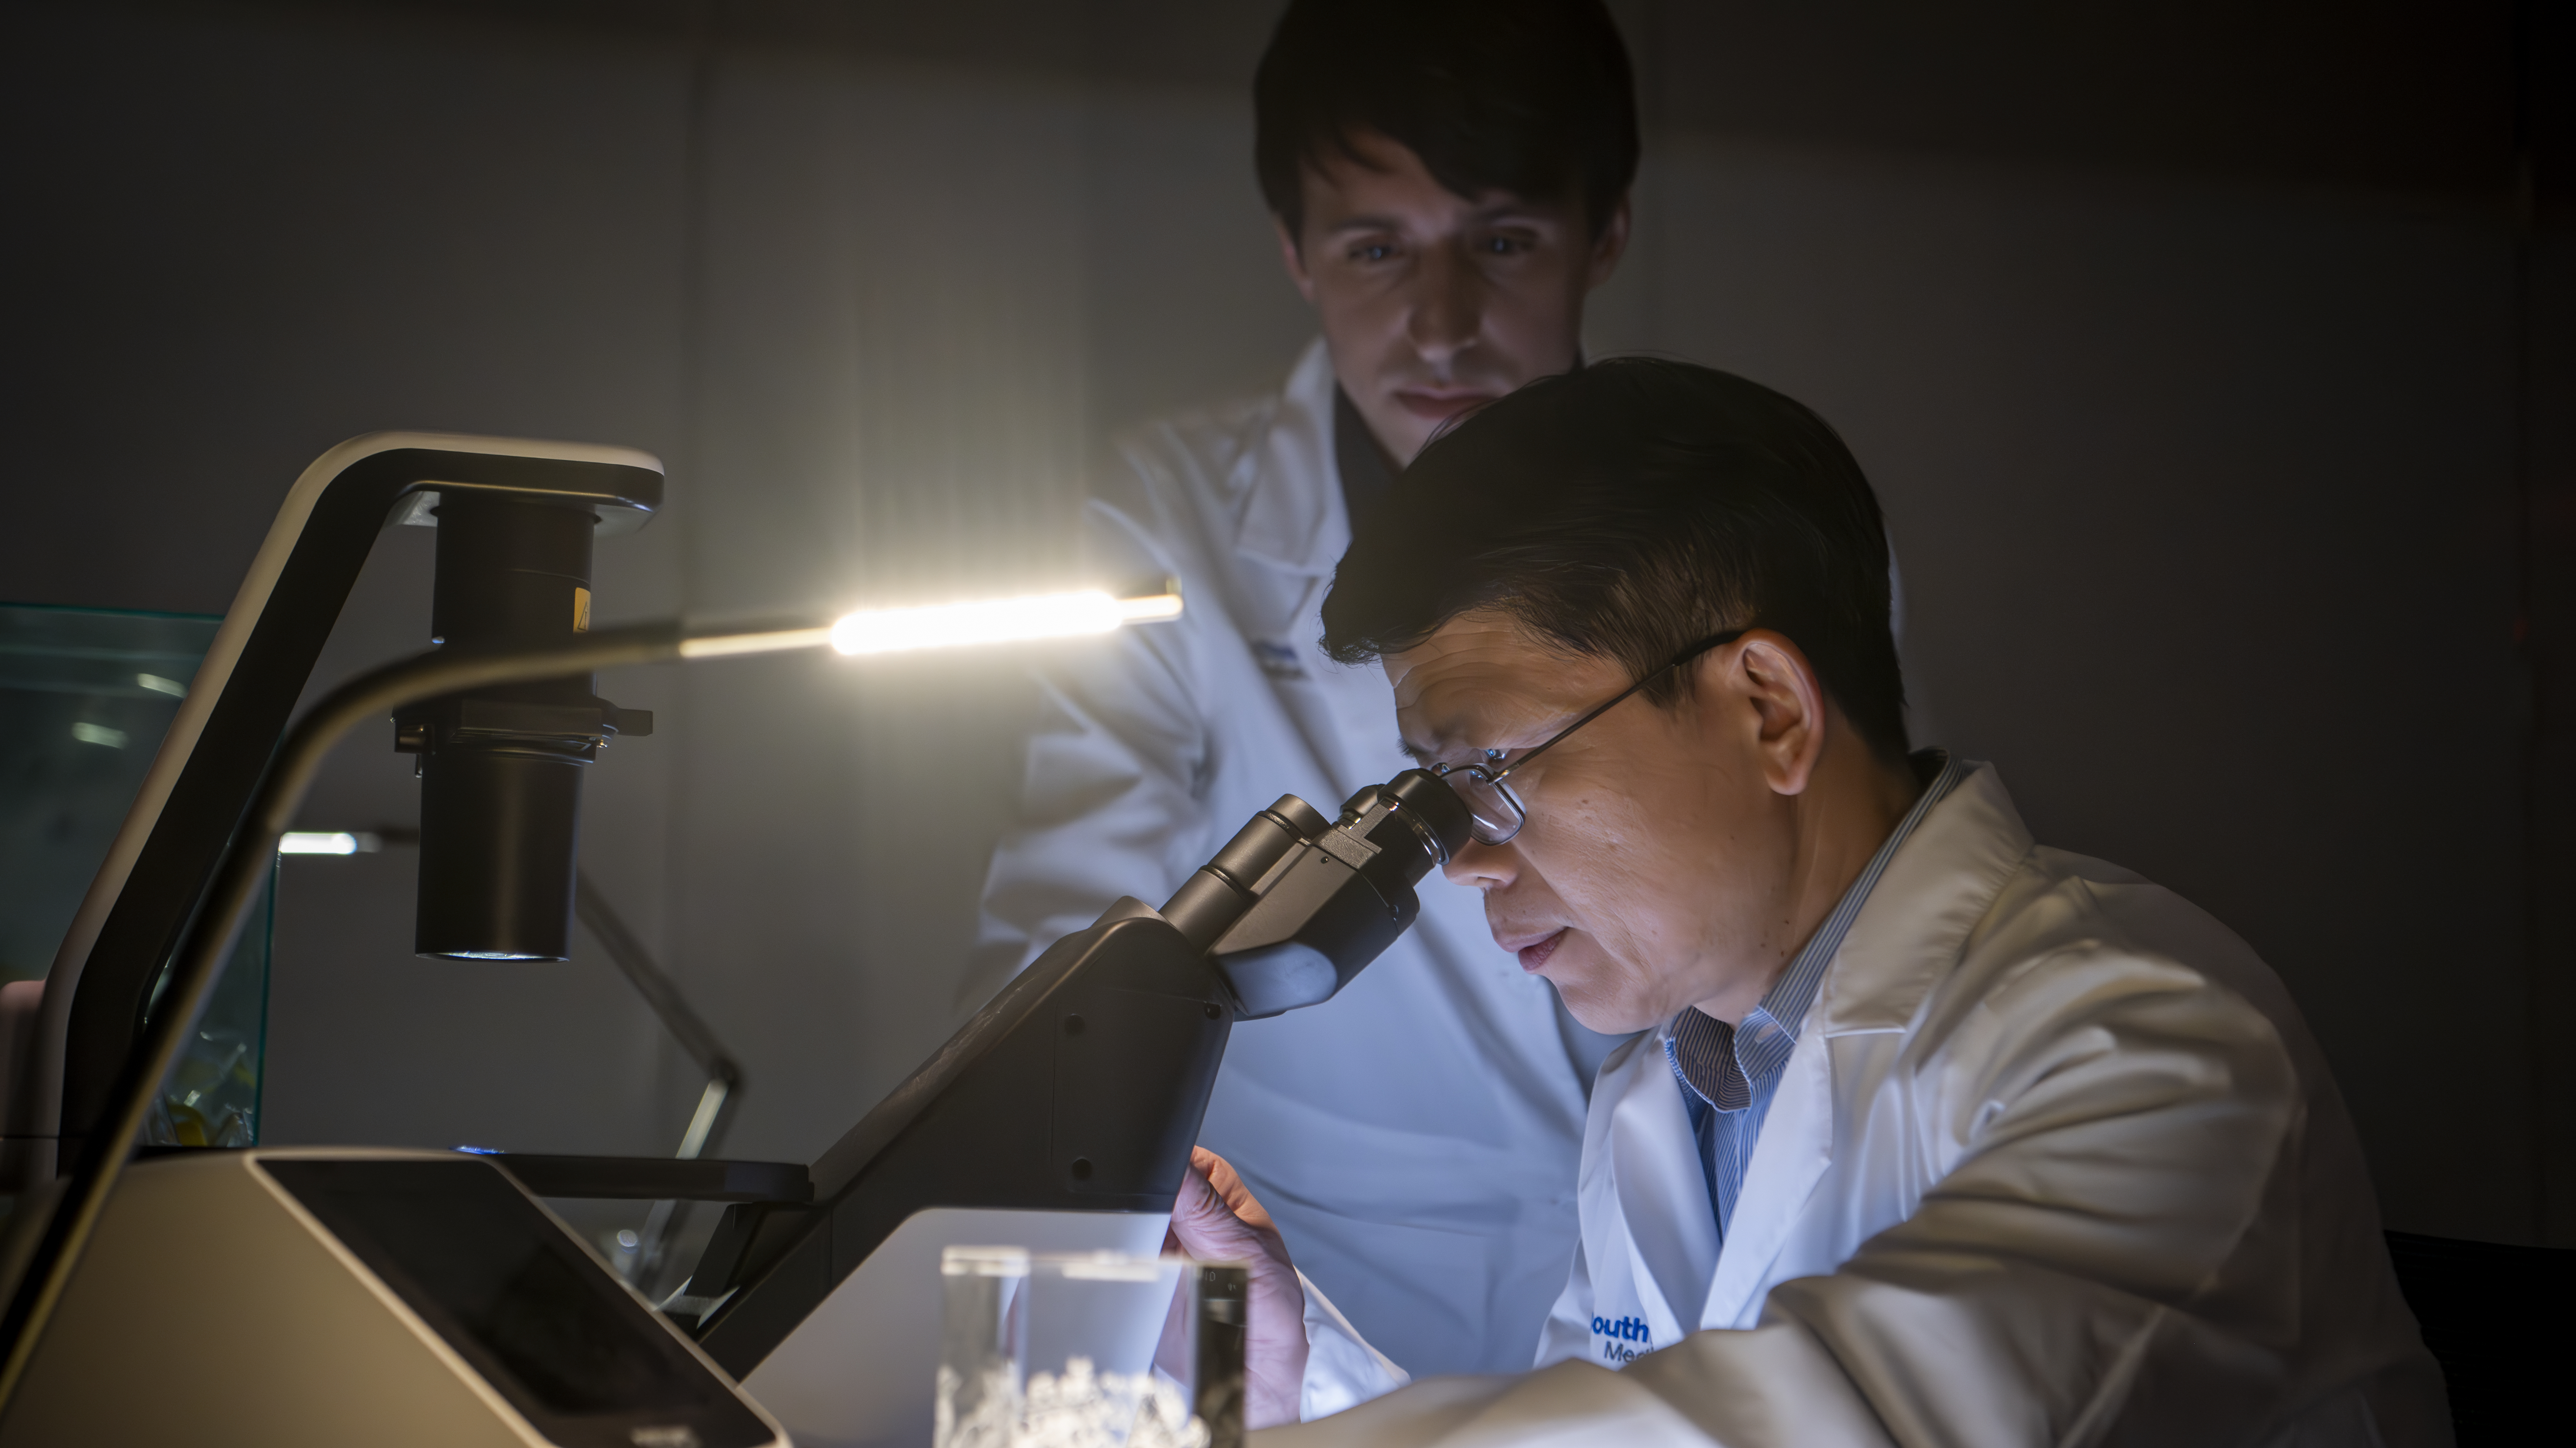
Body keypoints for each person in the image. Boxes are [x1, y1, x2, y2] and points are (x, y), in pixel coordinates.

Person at [1167, 359, 2451, 1445]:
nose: (1461, 861)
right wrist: (1279, 1372)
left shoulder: (2151, 1041)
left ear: (1769, 709)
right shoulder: (1663, 1099)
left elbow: (1852, 1418)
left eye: (1486, 775)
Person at [971, 0, 1639, 1387]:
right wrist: (1051, 1395)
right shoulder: (1167, 525)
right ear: (1295, 251)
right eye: (1376, 247)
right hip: (1285, 1267)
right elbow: (1062, 964)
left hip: (1646, 1260)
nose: (1441, 326)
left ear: (1605, 235)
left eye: (1502, 242)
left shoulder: (1742, 534)